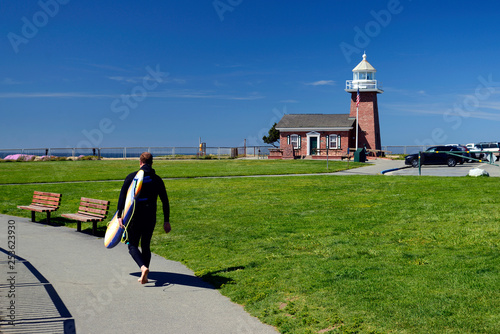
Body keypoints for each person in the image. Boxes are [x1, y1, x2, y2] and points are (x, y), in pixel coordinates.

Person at [117, 152, 171, 284]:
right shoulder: (157, 179)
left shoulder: (131, 177)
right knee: (145, 245)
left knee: (132, 245)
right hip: (150, 216)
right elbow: (165, 201)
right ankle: (144, 276)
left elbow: (122, 197)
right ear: (152, 163)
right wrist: (166, 221)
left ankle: (143, 267)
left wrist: (119, 215)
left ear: (140, 162)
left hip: (135, 217)